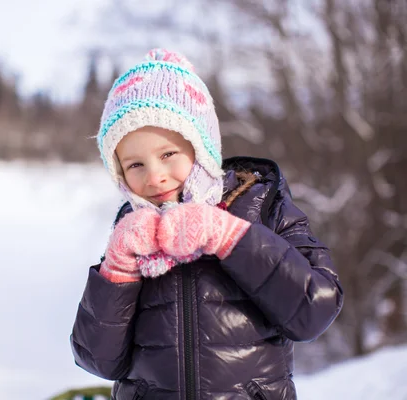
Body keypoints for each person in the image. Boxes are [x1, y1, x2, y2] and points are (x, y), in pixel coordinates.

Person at [70, 48, 343, 400]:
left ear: (202, 148)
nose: (155, 177)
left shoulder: (260, 205)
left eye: (168, 154)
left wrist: (229, 236)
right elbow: (98, 360)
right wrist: (118, 269)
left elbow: (315, 308)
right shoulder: (133, 231)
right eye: (135, 165)